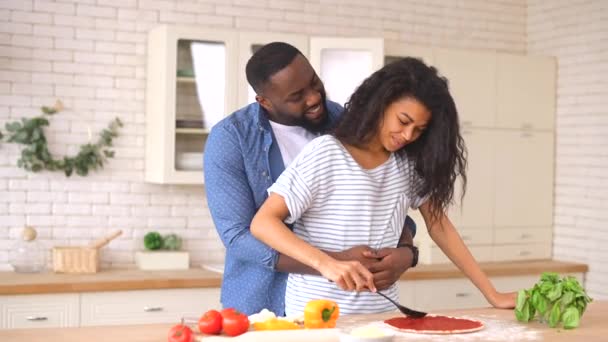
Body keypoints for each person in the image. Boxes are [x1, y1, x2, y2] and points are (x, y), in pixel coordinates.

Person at [250, 57, 517, 316]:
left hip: (380, 317)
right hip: (317, 318)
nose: (408, 135)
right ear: (381, 104)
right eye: (403, 121)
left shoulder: (406, 164)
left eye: (419, 129)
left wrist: (492, 294)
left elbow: (440, 226)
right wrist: (328, 264)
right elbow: (263, 223)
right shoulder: (326, 153)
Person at [203, 42, 418, 316]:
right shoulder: (231, 138)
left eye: (314, 83)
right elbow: (237, 236)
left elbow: (387, 194)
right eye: (297, 97)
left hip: (342, 307)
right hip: (261, 302)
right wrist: (331, 262)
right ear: (265, 102)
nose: (314, 98)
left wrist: (407, 252)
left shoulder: (342, 119)